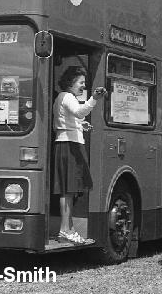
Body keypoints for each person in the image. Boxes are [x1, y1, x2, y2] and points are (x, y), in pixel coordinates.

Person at [52, 66, 106, 245]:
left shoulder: (63, 98)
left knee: (69, 190)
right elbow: (79, 112)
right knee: (68, 191)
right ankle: (65, 230)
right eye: (81, 82)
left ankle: (68, 229)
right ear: (71, 83)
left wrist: (80, 126)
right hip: (70, 146)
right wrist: (94, 99)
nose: (83, 86)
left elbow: (65, 121)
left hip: (67, 143)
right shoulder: (67, 97)